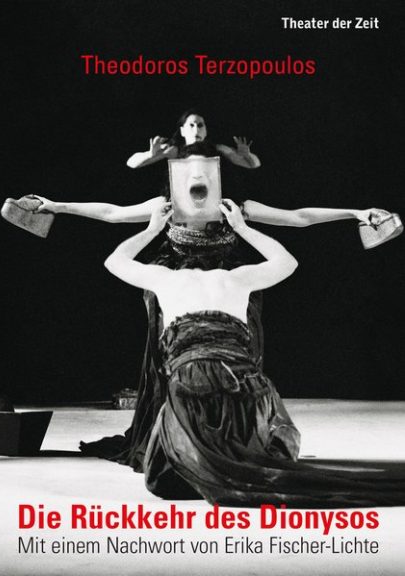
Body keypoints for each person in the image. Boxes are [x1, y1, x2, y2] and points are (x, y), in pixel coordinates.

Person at [102, 200, 405, 507]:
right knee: (241, 399)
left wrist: (151, 229)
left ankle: (210, 454)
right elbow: (287, 261)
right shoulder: (238, 278)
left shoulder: (165, 278)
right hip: (247, 388)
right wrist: (243, 228)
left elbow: (114, 260)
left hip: (192, 384)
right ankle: (235, 447)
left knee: (163, 477)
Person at [126, 108, 262, 169]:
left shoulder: (218, 149)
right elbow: (131, 163)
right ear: (182, 131)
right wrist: (149, 154)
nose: (196, 130)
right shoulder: (174, 150)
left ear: (206, 131)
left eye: (200, 125)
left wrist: (248, 155)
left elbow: (254, 164)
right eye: (191, 125)